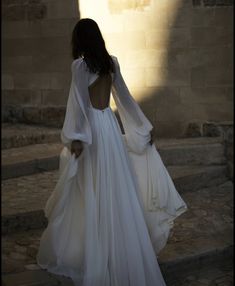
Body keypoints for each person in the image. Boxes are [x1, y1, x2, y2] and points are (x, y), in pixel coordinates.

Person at [37, 18, 187, 286]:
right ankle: (116, 247)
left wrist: (76, 137)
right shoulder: (111, 62)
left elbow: (79, 105)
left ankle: (99, 252)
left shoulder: (80, 66)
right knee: (115, 188)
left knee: (92, 189)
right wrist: (142, 126)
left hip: (93, 130)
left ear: (79, 40)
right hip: (109, 126)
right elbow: (126, 99)